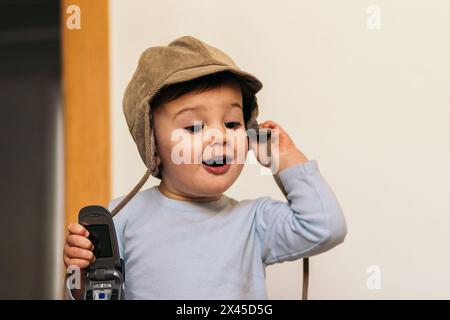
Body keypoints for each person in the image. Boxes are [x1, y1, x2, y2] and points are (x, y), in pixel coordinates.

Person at [63, 36, 347, 299]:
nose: (219, 136)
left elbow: (325, 226)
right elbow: (86, 292)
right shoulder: (120, 218)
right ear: (153, 145)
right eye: (194, 126)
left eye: (232, 123)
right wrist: (81, 273)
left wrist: (285, 155)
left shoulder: (254, 221)